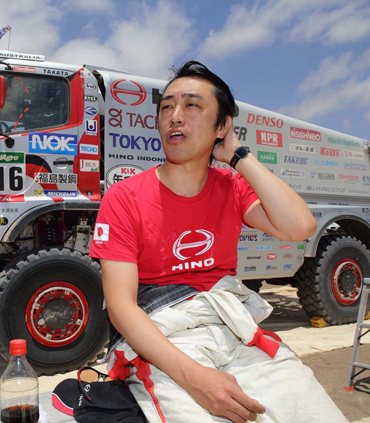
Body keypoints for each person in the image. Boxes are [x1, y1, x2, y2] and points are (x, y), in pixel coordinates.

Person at [89, 61, 347, 423]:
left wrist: (239, 158)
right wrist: (193, 378)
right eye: (166, 107)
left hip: (235, 327)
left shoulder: (232, 187)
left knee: (313, 411)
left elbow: (299, 227)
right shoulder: (124, 197)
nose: (175, 116)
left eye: (192, 105)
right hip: (167, 337)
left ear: (222, 126)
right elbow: (121, 306)